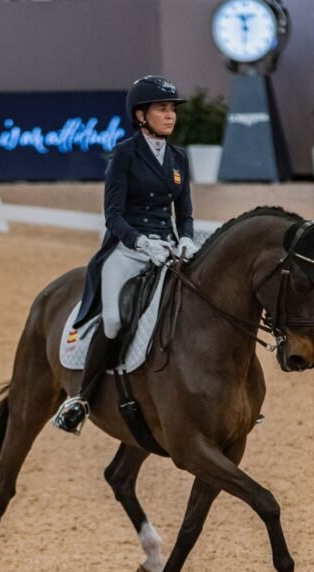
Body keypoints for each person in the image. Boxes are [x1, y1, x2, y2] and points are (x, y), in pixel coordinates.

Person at [53, 75, 198, 434]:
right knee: (116, 320)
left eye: (171, 109)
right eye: (162, 109)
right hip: (128, 251)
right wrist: (139, 242)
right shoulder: (124, 154)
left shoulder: (179, 157)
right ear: (140, 115)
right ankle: (81, 399)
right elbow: (113, 215)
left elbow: (186, 212)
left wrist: (187, 240)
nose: (170, 116)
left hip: (167, 250)